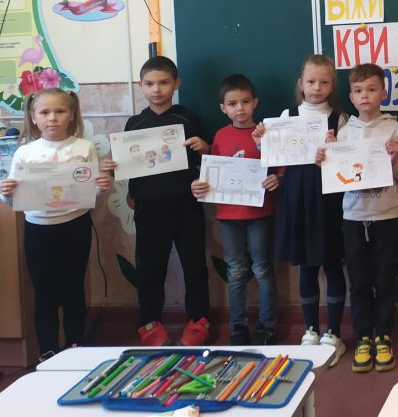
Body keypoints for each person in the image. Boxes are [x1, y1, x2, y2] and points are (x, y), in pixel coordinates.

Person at [0, 89, 112, 360]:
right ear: (33, 117)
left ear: (71, 115)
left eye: (60, 111)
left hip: (75, 227)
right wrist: (6, 192)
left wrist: (102, 186)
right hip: (38, 230)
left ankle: (75, 347)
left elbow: (93, 193)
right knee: (45, 294)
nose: (52, 118)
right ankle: (47, 352)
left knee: (73, 291)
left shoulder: (84, 147)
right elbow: (11, 199)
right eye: (45, 112)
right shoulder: (25, 152)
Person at [106, 56, 211, 346]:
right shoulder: (135, 123)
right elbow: (126, 165)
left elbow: (208, 159)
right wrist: (115, 171)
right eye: (149, 83)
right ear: (140, 86)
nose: (156, 89)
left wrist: (204, 147)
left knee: (194, 266)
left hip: (187, 205)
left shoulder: (188, 119)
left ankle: (199, 318)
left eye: (164, 82)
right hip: (149, 208)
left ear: (176, 84)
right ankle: (149, 321)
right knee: (150, 268)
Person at [256, 54, 348, 359]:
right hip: (296, 199)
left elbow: (349, 162)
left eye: (324, 82)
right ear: (300, 84)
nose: (317, 87)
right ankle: (310, 329)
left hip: (329, 200)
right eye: (311, 81)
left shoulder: (339, 118)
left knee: (332, 263)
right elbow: (275, 156)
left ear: (332, 85)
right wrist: (261, 141)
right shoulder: (287, 115)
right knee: (307, 266)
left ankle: (333, 332)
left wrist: (335, 149)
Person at [330, 63, 398, 374]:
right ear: (351, 97)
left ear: (384, 93)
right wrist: (326, 158)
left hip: (387, 216)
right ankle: (363, 336)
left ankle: (384, 335)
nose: (365, 95)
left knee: (385, 280)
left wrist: (395, 159)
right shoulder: (343, 133)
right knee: (359, 281)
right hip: (353, 217)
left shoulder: (394, 129)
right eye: (358, 90)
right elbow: (335, 178)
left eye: (371, 89)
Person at [191, 74, 279, 345]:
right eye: (232, 104)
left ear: (255, 102)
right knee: (236, 270)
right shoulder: (220, 136)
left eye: (245, 102)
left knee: (262, 269)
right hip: (229, 215)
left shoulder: (266, 133)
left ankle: (267, 325)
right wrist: (201, 180)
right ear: (223, 108)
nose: (240, 108)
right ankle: (237, 326)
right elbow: (215, 170)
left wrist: (278, 178)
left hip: (260, 213)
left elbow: (279, 166)